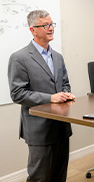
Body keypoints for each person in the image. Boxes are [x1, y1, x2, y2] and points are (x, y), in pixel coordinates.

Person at [8, 10, 75, 182]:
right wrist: (50, 98)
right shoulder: (19, 58)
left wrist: (66, 93)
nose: (51, 28)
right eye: (45, 25)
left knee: (60, 175)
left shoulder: (58, 57)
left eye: (52, 24)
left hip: (61, 126)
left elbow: (65, 83)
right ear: (33, 30)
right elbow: (17, 93)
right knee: (40, 177)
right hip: (39, 128)